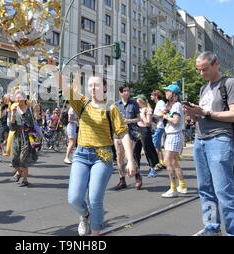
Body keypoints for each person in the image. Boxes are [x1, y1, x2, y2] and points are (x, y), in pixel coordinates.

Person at [183, 51, 234, 236]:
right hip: (200, 141)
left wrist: (206, 113)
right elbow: (201, 116)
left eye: (205, 69)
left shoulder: (230, 83)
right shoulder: (204, 88)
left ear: (216, 63)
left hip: (220, 140)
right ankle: (211, 228)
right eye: (199, 70)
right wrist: (193, 113)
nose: (202, 73)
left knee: (224, 192)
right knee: (205, 190)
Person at [67, 76, 136, 236]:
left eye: (97, 85)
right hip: (82, 155)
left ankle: (96, 234)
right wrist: (53, 67)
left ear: (105, 88)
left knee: (94, 198)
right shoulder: (82, 103)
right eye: (90, 85)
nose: (93, 88)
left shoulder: (111, 109)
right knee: (74, 198)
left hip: (102, 156)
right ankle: (85, 215)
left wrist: (130, 160)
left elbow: (123, 133)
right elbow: (64, 87)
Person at [159, 85, 187, 198]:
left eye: (168, 91)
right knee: (174, 161)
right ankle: (182, 185)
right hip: (173, 135)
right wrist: (166, 111)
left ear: (174, 94)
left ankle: (173, 188)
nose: (166, 93)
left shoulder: (176, 105)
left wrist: (166, 116)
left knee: (167, 161)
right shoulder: (173, 105)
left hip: (174, 135)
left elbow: (176, 120)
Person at [114, 86, 142, 190]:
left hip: (131, 132)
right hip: (118, 133)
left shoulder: (133, 103)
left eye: (128, 91)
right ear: (120, 93)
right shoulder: (116, 105)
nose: (127, 93)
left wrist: (128, 121)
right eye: (124, 91)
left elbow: (139, 119)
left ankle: (137, 175)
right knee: (119, 156)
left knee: (128, 155)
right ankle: (122, 179)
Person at [9, 90, 37, 187]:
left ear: (24, 99)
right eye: (16, 98)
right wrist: (12, 114)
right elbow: (12, 128)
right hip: (17, 136)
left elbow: (35, 123)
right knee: (14, 158)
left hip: (27, 136)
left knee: (23, 159)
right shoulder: (14, 109)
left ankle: (25, 180)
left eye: (19, 97)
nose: (17, 99)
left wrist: (37, 112)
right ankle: (18, 172)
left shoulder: (29, 110)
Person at [151, 90, 167, 170]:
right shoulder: (158, 103)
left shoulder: (161, 103)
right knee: (157, 146)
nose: (151, 97)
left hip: (160, 126)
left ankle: (157, 163)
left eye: (152, 95)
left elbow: (165, 112)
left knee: (154, 144)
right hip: (157, 126)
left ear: (156, 96)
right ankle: (162, 162)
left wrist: (156, 116)